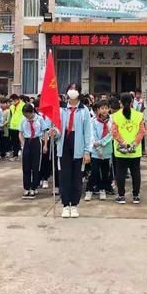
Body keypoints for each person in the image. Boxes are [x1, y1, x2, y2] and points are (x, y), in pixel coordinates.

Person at [51, 84, 91, 219]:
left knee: (77, 177)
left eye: (75, 89)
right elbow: (57, 128)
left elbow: (87, 132)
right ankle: (65, 205)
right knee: (64, 176)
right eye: (70, 89)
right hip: (64, 144)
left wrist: (87, 151)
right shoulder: (61, 109)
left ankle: (74, 205)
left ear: (79, 93)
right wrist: (53, 133)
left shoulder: (84, 110)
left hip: (78, 144)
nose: (72, 92)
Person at [112, 92, 145, 205]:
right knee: (136, 173)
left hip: (121, 151)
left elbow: (114, 132)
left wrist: (123, 143)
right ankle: (136, 196)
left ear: (120, 102)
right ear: (132, 102)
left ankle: (121, 196)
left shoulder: (115, 116)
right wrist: (134, 143)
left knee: (120, 173)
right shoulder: (139, 115)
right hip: (135, 151)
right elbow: (142, 131)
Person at [85, 100, 113, 201]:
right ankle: (89, 190)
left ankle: (102, 189)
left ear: (109, 109)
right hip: (96, 151)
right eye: (102, 108)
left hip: (107, 150)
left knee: (105, 172)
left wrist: (101, 142)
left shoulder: (111, 121)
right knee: (95, 172)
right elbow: (92, 135)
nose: (104, 110)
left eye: (106, 108)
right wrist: (98, 147)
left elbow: (111, 134)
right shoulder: (93, 121)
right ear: (98, 110)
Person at [19, 103, 47, 199]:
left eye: (28, 115)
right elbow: (20, 133)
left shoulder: (39, 119)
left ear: (32, 112)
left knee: (35, 166)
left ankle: (34, 187)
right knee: (26, 166)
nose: (27, 117)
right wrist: (23, 143)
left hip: (36, 141)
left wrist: (45, 145)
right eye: (25, 115)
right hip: (27, 142)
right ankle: (26, 187)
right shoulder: (23, 120)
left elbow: (45, 132)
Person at [9, 94, 25, 160]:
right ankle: (15, 156)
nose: (11, 102)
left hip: (21, 126)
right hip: (13, 126)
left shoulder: (23, 105)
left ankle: (24, 155)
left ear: (16, 100)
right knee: (14, 142)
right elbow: (11, 115)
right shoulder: (11, 106)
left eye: (12, 101)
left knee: (22, 141)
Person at [133, 88, 147, 156]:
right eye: (137, 94)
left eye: (139, 94)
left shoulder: (142, 101)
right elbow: (133, 109)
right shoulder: (133, 101)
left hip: (141, 119)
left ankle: (143, 150)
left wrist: (141, 105)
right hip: (135, 120)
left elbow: (143, 109)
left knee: (142, 135)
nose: (138, 95)